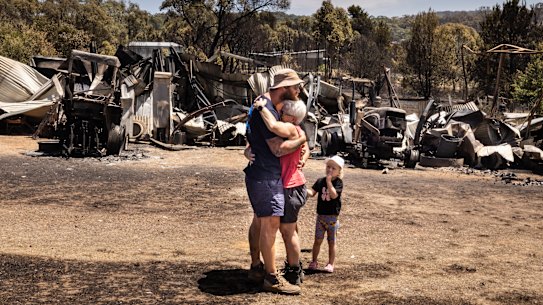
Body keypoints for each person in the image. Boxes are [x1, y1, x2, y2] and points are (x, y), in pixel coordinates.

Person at [244, 68, 306, 295]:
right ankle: (271, 278)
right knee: (269, 225)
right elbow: (277, 149)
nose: (298, 90)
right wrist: (301, 139)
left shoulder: (262, 102)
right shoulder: (266, 108)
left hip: (259, 173)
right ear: (283, 87)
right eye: (295, 86)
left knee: (260, 222)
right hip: (267, 176)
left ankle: (256, 267)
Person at [253, 98, 309, 285]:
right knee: (289, 230)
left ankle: (294, 271)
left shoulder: (292, 130)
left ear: (292, 118)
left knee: (288, 231)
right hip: (290, 186)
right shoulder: (295, 132)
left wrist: (261, 107)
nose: (280, 114)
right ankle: (294, 269)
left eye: (283, 113)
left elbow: (273, 125)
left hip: (291, 187)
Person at [306, 155, 344, 273]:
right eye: (328, 167)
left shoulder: (338, 183)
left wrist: (329, 182)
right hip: (321, 216)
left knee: (331, 241)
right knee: (317, 240)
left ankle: (330, 263)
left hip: (332, 217)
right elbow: (312, 193)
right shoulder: (320, 181)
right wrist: (302, 188)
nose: (330, 170)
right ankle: (314, 261)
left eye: (333, 168)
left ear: (339, 172)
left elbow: (333, 195)